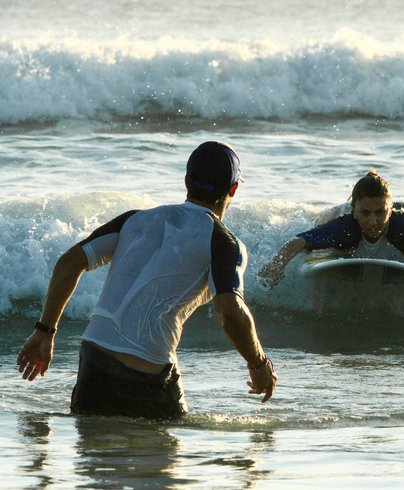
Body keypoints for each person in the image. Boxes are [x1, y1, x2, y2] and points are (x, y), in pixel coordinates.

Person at [17, 141, 277, 419]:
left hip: (94, 358)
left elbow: (69, 263)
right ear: (233, 189)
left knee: (96, 457)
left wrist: (45, 331)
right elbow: (229, 310)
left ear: (186, 180)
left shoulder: (136, 219)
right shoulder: (224, 243)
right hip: (148, 371)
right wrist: (259, 365)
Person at [259, 169, 404, 287]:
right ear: (356, 212)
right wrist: (277, 264)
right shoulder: (346, 227)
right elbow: (299, 240)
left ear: (389, 212)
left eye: (380, 213)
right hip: (348, 211)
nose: (373, 222)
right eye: (365, 214)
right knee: (324, 219)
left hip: (398, 209)